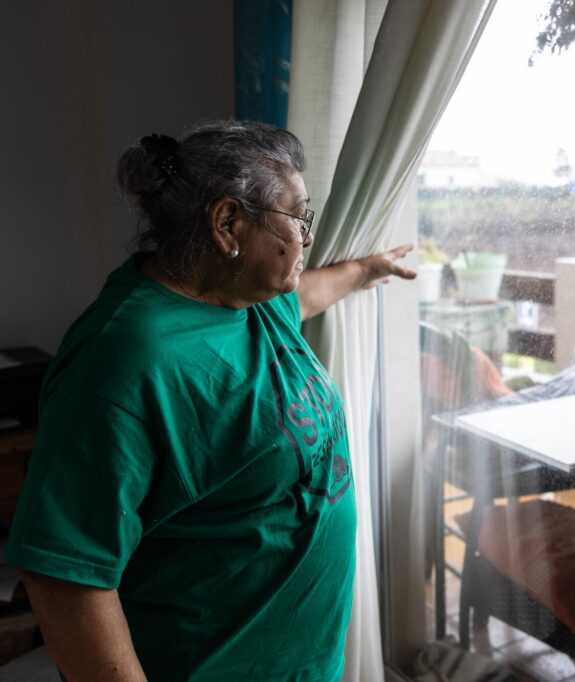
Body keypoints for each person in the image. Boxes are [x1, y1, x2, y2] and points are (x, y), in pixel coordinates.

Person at [4, 121, 416, 681]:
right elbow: (63, 579)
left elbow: (307, 294)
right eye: (298, 218)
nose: (307, 238)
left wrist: (366, 270)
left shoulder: (250, 298)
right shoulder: (123, 361)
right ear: (228, 224)